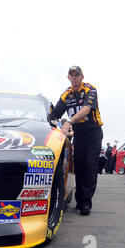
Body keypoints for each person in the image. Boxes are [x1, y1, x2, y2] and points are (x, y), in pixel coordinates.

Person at [51, 66, 103, 215]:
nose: (74, 78)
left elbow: (87, 109)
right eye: (72, 75)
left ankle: (86, 203)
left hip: (93, 133)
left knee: (89, 166)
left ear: (82, 77)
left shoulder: (90, 89)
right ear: (68, 77)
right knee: (79, 167)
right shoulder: (66, 95)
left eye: (77, 75)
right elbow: (54, 115)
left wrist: (69, 121)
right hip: (78, 134)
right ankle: (80, 199)